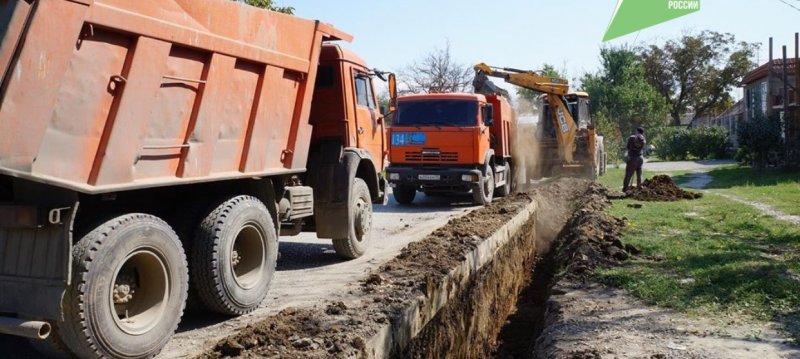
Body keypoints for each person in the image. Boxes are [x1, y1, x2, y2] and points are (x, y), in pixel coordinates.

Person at [623, 127, 646, 192]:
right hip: (640, 158)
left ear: (637, 131)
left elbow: (627, 147)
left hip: (633, 158)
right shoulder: (643, 139)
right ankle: (640, 189)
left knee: (628, 174)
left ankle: (625, 189)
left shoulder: (632, 138)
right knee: (639, 175)